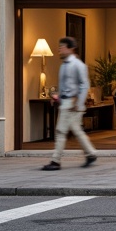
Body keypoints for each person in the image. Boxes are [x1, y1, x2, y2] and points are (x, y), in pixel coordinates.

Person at [40, 36, 96, 170]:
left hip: (72, 103)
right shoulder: (64, 65)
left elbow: (84, 84)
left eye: (62, 47)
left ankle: (55, 161)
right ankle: (91, 153)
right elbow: (66, 86)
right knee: (76, 130)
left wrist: (78, 102)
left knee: (60, 131)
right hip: (66, 101)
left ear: (71, 48)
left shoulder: (78, 65)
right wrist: (58, 97)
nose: (59, 50)